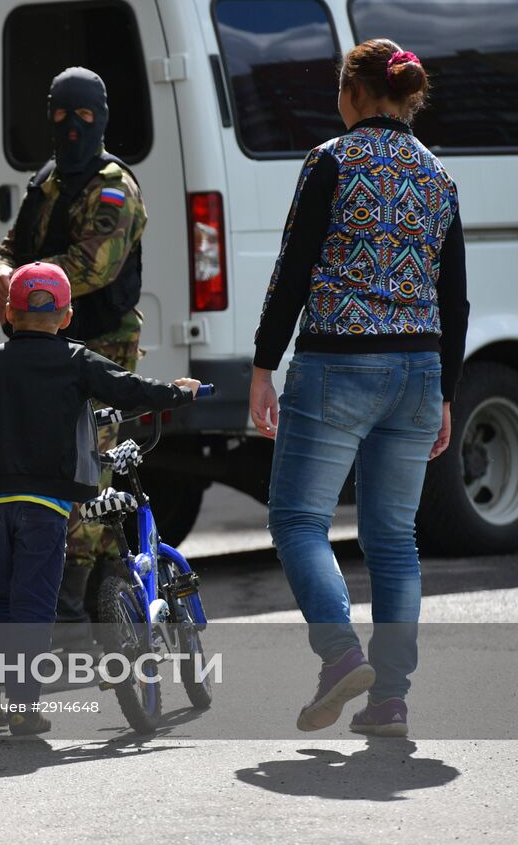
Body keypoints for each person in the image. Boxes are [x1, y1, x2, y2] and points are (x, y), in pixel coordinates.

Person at [250, 40, 468, 738]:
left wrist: (262, 363)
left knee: (297, 520)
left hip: (337, 363)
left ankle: (340, 652)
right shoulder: (439, 177)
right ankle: (390, 698)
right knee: (394, 538)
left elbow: (292, 271)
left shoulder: (331, 160)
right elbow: (456, 299)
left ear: (354, 93)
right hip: (418, 369)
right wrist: (448, 392)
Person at [0, 261, 199, 735]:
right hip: (44, 503)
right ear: (66, 317)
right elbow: (130, 389)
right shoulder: (77, 360)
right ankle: (22, 703)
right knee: (34, 600)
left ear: (8, 312)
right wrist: (178, 394)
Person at [0, 67, 147, 650]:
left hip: (99, 346)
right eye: (60, 114)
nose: (71, 127)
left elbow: (95, 265)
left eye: (83, 116)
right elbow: (9, 249)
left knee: (88, 471)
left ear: (101, 116)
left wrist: (25, 287)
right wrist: (2, 274)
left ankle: (83, 608)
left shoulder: (112, 188)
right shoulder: (47, 182)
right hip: (43, 348)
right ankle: (86, 608)